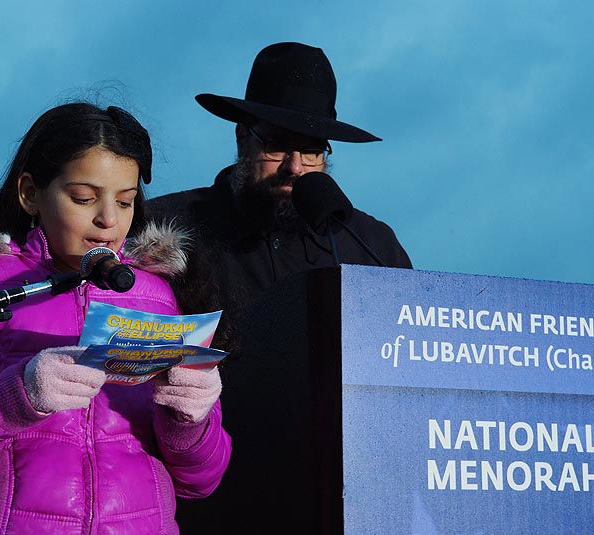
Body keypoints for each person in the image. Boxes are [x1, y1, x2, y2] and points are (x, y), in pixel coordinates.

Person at [0, 103, 231, 535]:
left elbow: (201, 481)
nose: (109, 220)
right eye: (83, 198)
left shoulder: (156, 294)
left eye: (126, 201)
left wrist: (190, 419)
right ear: (30, 193)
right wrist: (12, 397)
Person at [146, 42, 412, 533]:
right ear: (242, 137)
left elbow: (412, 367)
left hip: (343, 502)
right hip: (209, 497)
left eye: (311, 149)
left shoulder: (370, 243)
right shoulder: (164, 227)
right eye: (277, 146)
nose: (295, 166)